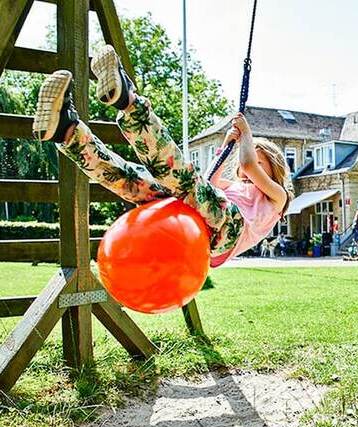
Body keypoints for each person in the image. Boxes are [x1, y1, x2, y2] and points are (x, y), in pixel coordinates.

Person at [32, 45, 293, 268]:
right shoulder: (235, 188)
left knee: (185, 179)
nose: (250, 168)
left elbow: (245, 164)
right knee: (134, 181)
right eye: (253, 161)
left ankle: (128, 100)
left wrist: (246, 136)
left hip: (227, 233)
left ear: (276, 168)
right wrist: (226, 148)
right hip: (200, 223)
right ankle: (67, 132)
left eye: (261, 163)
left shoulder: (277, 198)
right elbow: (209, 180)